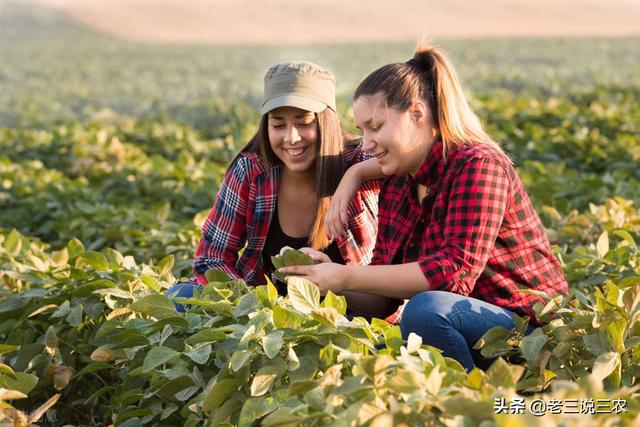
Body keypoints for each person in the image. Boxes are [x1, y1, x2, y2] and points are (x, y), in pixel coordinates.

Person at [278, 44, 569, 371]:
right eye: (361, 131)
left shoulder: (479, 166)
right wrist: (324, 274)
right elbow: (382, 299)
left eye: (376, 126)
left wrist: (346, 276)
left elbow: (452, 274)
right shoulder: (399, 180)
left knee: (425, 311)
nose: (366, 143)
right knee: (362, 337)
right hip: (467, 327)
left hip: (529, 331)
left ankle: (470, 410)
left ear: (417, 114)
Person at [168, 61, 398, 320]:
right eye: (278, 125)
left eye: (303, 123)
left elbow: (423, 152)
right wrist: (256, 309)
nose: (291, 137)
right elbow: (213, 258)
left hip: (349, 316)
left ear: (327, 122)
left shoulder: (358, 160)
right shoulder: (251, 170)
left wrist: (356, 175)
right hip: (264, 314)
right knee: (179, 297)